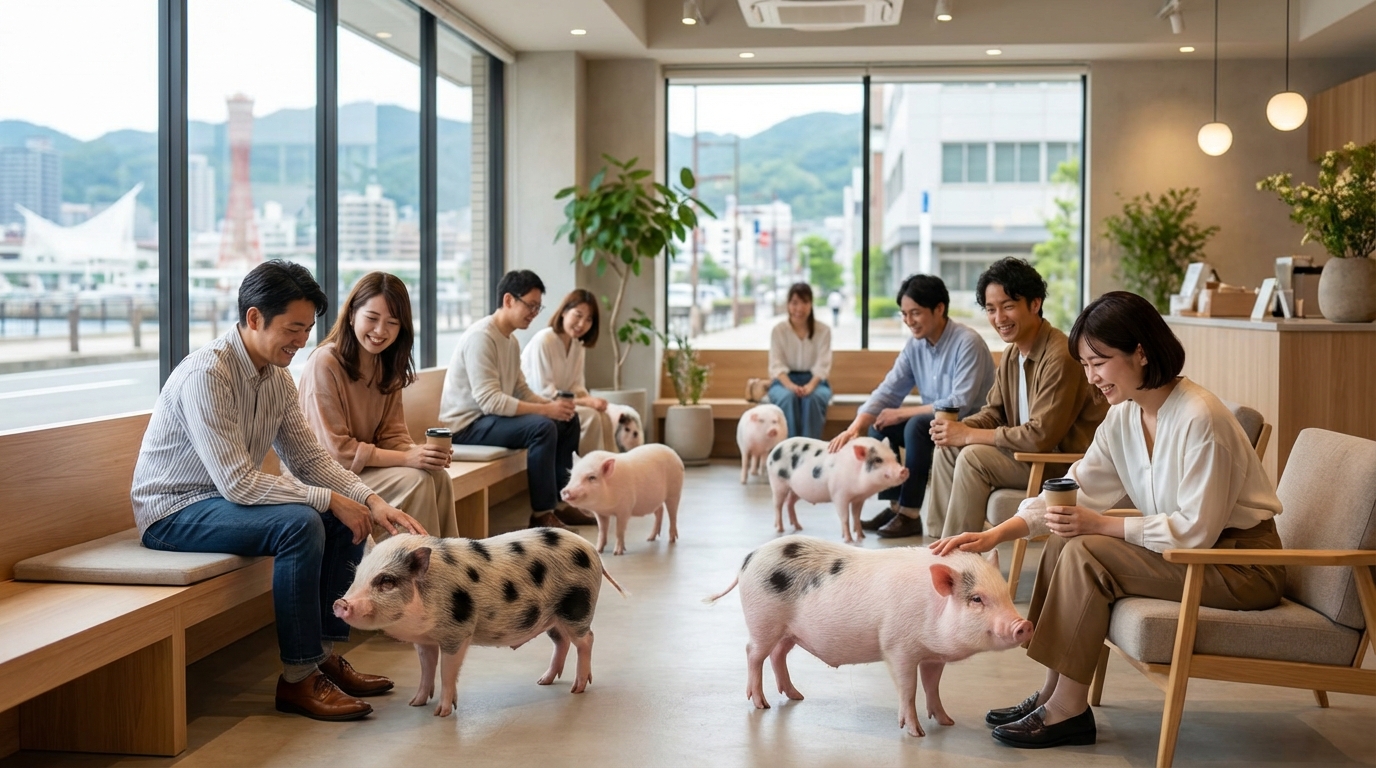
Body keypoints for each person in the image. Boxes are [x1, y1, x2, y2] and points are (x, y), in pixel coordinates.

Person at [931, 291, 1284, 749]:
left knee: (1087, 548)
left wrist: (1101, 525)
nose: (1092, 377)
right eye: (1084, 364)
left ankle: (1068, 711)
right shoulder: (1125, 417)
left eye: (1099, 362)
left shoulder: (1201, 418)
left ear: (1140, 352)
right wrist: (996, 533)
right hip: (1197, 556)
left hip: (1240, 566)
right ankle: (1054, 693)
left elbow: (1196, 531)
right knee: (1064, 536)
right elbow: (1072, 488)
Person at [132, 260, 425, 722]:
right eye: (293, 328)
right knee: (303, 521)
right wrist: (331, 499)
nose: (302, 340)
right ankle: (297, 679)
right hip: (174, 512)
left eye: (307, 328)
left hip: (221, 504)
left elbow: (309, 460)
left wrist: (372, 501)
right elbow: (238, 482)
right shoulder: (208, 374)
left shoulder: (277, 378)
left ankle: (322, 655)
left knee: (335, 517)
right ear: (253, 318)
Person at [924, 257, 1106, 539]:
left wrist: (968, 435)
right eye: (991, 309)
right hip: (1026, 455)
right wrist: (955, 431)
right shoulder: (1012, 353)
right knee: (948, 447)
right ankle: (938, 545)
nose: (999, 318)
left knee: (973, 456)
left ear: (1035, 304)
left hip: (1062, 463)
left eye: (1008, 306)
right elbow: (994, 412)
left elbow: (1041, 436)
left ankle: (958, 557)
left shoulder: (1060, 355)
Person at [827, 274, 996, 538]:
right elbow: (889, 389)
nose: (908, 321)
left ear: (939, 309)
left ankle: (910, 514)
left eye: (915, 313)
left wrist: (903, 412)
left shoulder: (967, 342)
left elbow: (959, 404)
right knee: (880, 423)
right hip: (937, 422)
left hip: (969, 425)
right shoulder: (915, 346)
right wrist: (855, 427)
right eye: (904, 314)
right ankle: (895, 506)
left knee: (916, 425)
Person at [297, 272, 459, 540]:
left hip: (363, 472)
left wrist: (423, 454)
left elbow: (392, 436)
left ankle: (447, 568)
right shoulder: (325, 363)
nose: (380, 331)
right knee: (416, 481)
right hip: (325, 479)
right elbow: (336, 453)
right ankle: (415, 571)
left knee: (438, 477)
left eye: (392, 322)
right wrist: (408, 458)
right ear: (351, 315)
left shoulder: (386, 365)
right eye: (372, 318)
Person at [439, 270, 590, 529]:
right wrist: (546, 412)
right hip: (466, 426)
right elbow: (490, 401)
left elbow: (520, 389)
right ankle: (542, 515)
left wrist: (553, 407)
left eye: (537, 307)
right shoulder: (482, 337)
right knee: (542, 427)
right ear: (509, 300)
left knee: (567, 419)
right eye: (530, 305)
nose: (534, 312)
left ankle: (563, 504)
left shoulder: (510, 341)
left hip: (490, 420)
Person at [521, 288, 617, 456]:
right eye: (578, 315)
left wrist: (590, 400)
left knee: (604, 417)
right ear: (564, 311)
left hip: (562, 404)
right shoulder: (544, 340)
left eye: (588, 319)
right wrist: (587, 402)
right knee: (591, 417)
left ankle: (610, 474)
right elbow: (543, 393)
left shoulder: (578, 346)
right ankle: (586, 474)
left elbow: (576, 387)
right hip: (539, 406)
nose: (582, 324)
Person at [768, 283, 833, 439]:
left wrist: (810, 386)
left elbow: (823, 366)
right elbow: (776, 365)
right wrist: (791, 386)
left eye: (805, 302)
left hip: (815, 382)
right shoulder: (778, 330)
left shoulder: (823, 330)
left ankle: (809, 452)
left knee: (812, 400)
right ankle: (789, 451)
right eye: (795, 303)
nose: (799, 308)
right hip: (784, 382)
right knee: (787, 398)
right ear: (788, 305)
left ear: (811, 304)